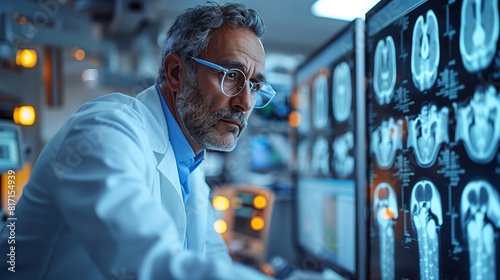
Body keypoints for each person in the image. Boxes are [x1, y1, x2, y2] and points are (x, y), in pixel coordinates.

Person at [0, 2, 277, 279]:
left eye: (255, 86)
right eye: (231, 77)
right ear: (176, 73)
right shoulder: (106, 129)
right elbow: (147, 261)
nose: (245, 102)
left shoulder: (190, 167)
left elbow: (213, 258)